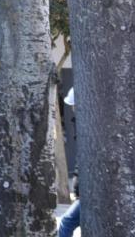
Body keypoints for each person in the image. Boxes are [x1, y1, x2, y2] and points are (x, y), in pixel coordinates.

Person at [58, 87, 80, 237]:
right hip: (84, 192)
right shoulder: (80, 124)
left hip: (88, 193)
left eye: (74, 105)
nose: (72, 108)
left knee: (66, 222)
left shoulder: (83, 126)